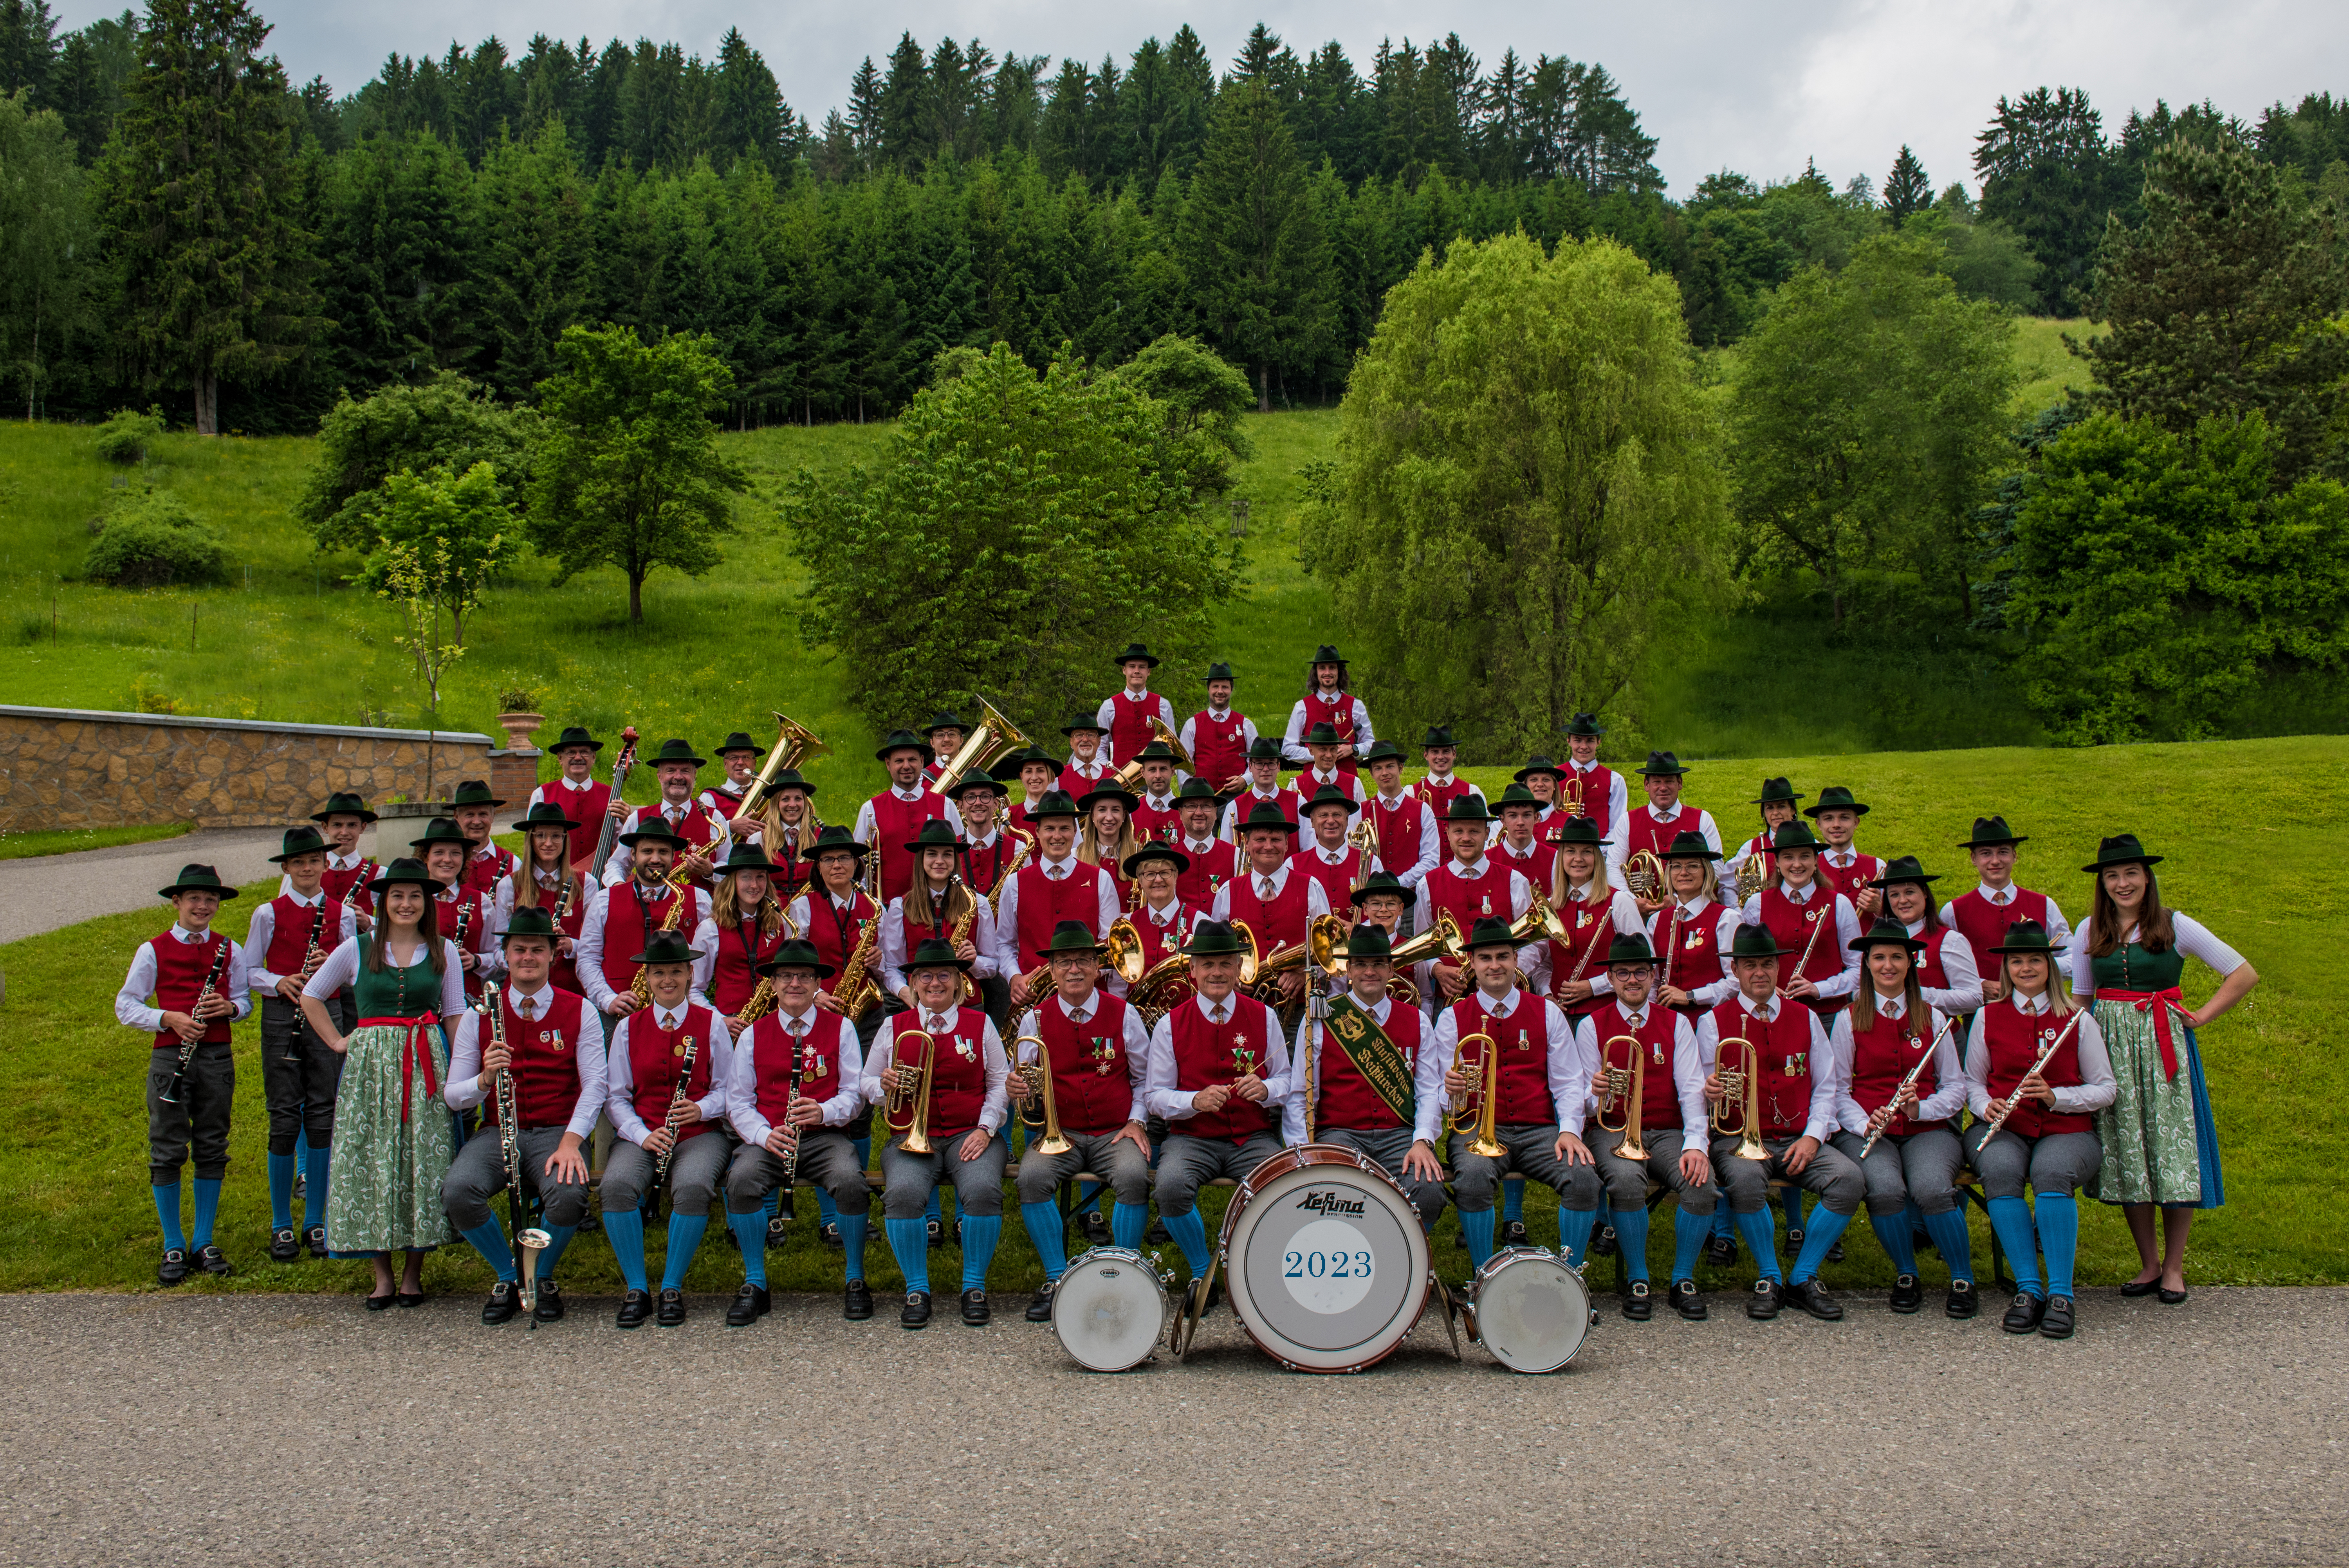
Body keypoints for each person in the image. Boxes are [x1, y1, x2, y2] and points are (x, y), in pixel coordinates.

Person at [2066, 835, 2257, 1305]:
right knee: (2131, 1151)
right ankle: (2148, 1262)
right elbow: (2083, 1000)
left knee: (2171, 1152)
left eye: (2131, 873)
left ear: (2147, 877)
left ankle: (2174, 1266)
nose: (2122, 883)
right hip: (2110, 1049)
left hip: (2163, 1047)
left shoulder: (2175, 925)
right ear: (2102, 882)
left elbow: (2242, 973)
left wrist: (2203, 1015)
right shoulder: (2090, 929)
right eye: (2113, 875)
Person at [297, 858, 467, 1308]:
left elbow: (454, 1015)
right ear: (383, 901)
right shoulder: (357, 948)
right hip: (371, 1069)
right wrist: (337, 1041)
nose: (406, 904)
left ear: (427, 903)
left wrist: (459, 1072)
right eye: (398, 896)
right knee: (374, 1157)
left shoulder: (443, 949)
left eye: (415, 896)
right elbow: (311, 994)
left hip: (425, 1059)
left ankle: (413, 1273)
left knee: (420, 1161)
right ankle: (381, 1275)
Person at [439, 905, 603, 1325]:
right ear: (506, 956)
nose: (527, 957)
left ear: (553, 955)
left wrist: (572, 1142)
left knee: (569, 1196)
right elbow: (453, 1096)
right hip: (498, 1130)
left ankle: (541, 1277)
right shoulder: (481, 1017)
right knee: (459, 1190)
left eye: (536, 949)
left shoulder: (579, 1010)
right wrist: (484, 1079)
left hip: (556, 1131)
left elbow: (595, 1085)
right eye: (518, 950)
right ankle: (510, 1275)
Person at [1698, 925, 1864, 1321]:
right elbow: (1698, 1089)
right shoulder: (1712, 1022)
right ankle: (1770, 1276)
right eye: (1751, 965)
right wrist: (1711, 1094)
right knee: (1746, 1181)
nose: (1760, 972)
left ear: (1779, 968)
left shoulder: (1805, 1017)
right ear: (1735, 969)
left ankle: (1804, 1276)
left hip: (1796, 1134)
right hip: (1737, 1137)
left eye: (1768, 964)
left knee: (1849, 1179)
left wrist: (1812, 1137)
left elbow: (1828, 1086)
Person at [1966, 919, 2118, 1339]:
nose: (2027, 968)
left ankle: (2061, 1295)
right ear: (2007, 968)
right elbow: (1972, 1082)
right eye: (2018, 961)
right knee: (1998, 1171)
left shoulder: (2077, 1020)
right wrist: (1985, 1104)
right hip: (2004, 1127)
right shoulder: (1985, 1017)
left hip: (2067, 1130)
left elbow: (2106, 1089)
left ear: (2050, 966)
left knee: (2052, 1173)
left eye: (2035, 960)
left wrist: (2057, 1097)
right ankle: (2028, 1290)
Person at [1429, 916, 1602, 1276]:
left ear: (1516, 961)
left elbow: (1569, 1082)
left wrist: (1569, 1130)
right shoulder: (1451, 1019)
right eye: (1486, 958)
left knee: (1584, 1178)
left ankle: (1571, 1277)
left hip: (1539, 1131)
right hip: (1477, 1130)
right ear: (1472, 965)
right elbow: (1439, 1093)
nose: (1495, 965)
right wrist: (1452, 1092)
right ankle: (1483, 1277)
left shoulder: (1547, 1012)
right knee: (1473, 1178)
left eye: (1503, 956)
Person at [720, 939, 878, 1324]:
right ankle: (755, 1282)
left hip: (824, 1136)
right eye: (786, 976)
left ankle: (856, 1278)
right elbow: (738, 1101)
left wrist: (822, 1111)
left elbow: (854, 1095)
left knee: (850, 1181)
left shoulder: (841, 1029)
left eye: (804, 976)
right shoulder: (755, 1034)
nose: (795, 983)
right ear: (773, 984)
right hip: (771, 1136)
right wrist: (763, 1135)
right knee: (740, 1180)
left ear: (816, 984)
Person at [1827, 918, 1976, 1319]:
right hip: (1868, 1128)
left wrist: (1921, 1109)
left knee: (1931, 1188)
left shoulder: (1935, 1017)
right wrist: (1863, 1124)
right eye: (1879, 957)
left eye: (1897, 957)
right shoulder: (1848, 1019)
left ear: (1911, 964)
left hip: (1928, 1128)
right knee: (1885, 1189)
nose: (1888, 965)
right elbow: (1838, 1090)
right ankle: (1906, 1273)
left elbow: (1956, 1088)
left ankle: (1963, 1278)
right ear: (1867, 965)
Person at [115, 862, 254, 1285]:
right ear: (177, 902)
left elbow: (245, 1001)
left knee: (213, 1143)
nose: (203, 905)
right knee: (168, 1146)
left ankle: (203, 1240)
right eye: (194, 898)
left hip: (216, 1057)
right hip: (169, 1057)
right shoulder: (152, 949)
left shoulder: (230, 948)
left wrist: (229, 1008)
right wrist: (169, 1018)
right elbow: (127, 1005)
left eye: (211, 899)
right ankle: (173, 1242)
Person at [1010, 922, 1156, 1320]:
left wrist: (1137, 1122)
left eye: (1082, 961)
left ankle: (1127, 1275)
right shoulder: (1033, 1022)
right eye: (1063, 962)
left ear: (1098, 969)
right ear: (1052, 971)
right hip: (1063, 1133)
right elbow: (1024, 1083)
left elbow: (1145, 1080)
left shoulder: (1124, 1015)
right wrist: (1019, 1089)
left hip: (1115, 1131)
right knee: (1031, 1178)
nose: (1073, 969)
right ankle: (1058, 1279)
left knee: (1132, 1175)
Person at [1146, 920, 1292, 1314]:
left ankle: (1257, 1271)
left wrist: (1266, 1090)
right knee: (1170, 1187)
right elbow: (1154, 1096)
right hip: (1192, 1138)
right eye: (1207, 965)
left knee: (1282, 1189)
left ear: (1239, 967)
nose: (1216, 973)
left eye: (1226, 964)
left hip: (1252, 1136)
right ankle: (1202, 1271)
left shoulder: (1264, 1017)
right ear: (1192, 970)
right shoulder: (1169, 1024)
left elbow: (1287, 1080)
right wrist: (1193, 1100)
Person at [866, 938, 1012, 1328]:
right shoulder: (893, 1026)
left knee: (983, 1190)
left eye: (944, 975)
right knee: (902, 1194)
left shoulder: (981, 1025)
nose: (935, 983)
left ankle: (974, 1286)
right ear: (913, 982)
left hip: (970, 1131)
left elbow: (999, 1083)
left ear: (958, 982)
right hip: (912, 1136)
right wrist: (884, 1084)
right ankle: (917, 1288)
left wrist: (986, 1129)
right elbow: (864, 1083)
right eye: (926, 976)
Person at [601, 930, 736, 1328]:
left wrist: (700, 1108)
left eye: (676, 972)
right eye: (659, 973)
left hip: (700, 1134)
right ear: (648, 978)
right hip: (643, 1132)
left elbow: (730, 1091)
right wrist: (642, 1134)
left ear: (691, 975)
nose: (668, 980)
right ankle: (638, 1288)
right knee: (616, 1186)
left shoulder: (711, 1025)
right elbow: (616, 1096)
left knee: (693, 1186)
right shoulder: (628, 1027)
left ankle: (672, 1287)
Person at [1578, 933, 1715, 1321]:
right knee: (1624, 1180)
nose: (1633, 979)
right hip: (1613, 1129)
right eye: (1623, 973)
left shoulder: (1676, 1024)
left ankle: (1682, 1279)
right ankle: (1638, 1277)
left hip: (1667, 1130)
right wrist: (1596, 1092)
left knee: (1700, 1183)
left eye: (1641, 971)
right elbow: (1583, 1100)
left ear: (1654, 975)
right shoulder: (1591, 1025)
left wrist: (1695, 1145)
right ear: (1612, 978)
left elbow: (1691, 1088)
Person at [247, 826, 358, 1262]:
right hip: (282, 1014)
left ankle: (316, 1220)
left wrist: (327, 966)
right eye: (299, 863)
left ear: (326, 865)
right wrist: (279, 981)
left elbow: (353, 973)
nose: (308, 868)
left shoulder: (342, 914)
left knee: (322, 1111)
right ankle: (281, 1223)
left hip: (327, 1013)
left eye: (315, 861)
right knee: (282, 1113)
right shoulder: (267, 914)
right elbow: (249, 970)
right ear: (287, 868)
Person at [1293, 924, 1447, 1233]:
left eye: (1378, 964)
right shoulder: (1320, 1019)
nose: (1370, 972)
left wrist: (1422, 1141)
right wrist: (1304, 1151)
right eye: (1361, 964)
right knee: (1334, 1196)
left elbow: (1430, 1091)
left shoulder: (1417, 1020)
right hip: (1340, 1135)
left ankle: (1407, 1262)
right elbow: (1300, 1094)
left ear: (1392, 969)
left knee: (1429, 1193)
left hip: (1399, 1136)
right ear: (1348, 970)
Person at [783, 825, 886, 1247]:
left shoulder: (874, 906)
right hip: (821, 1011)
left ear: (857, 862)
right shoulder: (802, 908)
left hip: (865, 1014)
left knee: (859, 1105)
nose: (837, 865)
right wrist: (819, 993)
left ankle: (853, 1197)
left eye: (844, 858)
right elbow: (790, 963)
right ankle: (830, 1216)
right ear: (818, 867)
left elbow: (891, 965)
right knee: (821, 1096)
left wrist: (879, 960)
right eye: (828, 859)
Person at [576, 818, 712, 1023]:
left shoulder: (700, 899)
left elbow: (708, 962)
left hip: (681, 1016)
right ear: (633, 855)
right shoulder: (604, 900)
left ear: (674, 856)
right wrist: (608, 999)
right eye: (647, 851)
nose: (655, 859)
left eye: (663, 852)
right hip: (620, 1013)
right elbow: (588, 958)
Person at [994, 792, 1120, 1012]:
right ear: (1037, 832)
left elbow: (1112, 943)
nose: (1057, 836)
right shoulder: (1015, 883)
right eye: (1050, 829)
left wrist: (1088, 975)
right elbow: (1004, 943)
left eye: (1064, 828)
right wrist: (1015, 978)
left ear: (1075, 831)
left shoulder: (1101, 879)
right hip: (1033, 1000)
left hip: (1089, 999)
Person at [1209, 802, 1332, 1018]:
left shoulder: (1311, 887)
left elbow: (1330, 951)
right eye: (1260, 840)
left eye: (1276, 840)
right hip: (1243, 1010)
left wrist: (1304, 976)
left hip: (1300, 1012)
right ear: (1246, 844)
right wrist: (1232, 979)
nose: (1268, 846)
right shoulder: (1227, 892)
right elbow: (1215, 952)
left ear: (1287, 844)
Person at [1414, 796, 1534, 1006]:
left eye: (1475, 831)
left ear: (1488, 833)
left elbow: (1534, 944)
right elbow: (1422, 945)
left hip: (1505, 999)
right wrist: (1438, 970)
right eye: (1459, 831)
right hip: (1448, 1003)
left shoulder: (1514, 881)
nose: (1466, 838)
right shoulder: (1427, 884)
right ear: (1448, 833)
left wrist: (1506, 976)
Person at [1942, 816, 2073, 999]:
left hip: (2040, 1007)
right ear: (1973, 858)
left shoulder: (2044, 905)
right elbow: (1945, 965)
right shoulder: (1953, 912)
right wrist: (1979, 985)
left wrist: (2037, 970)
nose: (1995, 861)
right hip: (1983, 1010)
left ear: (2015, 856)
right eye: (1986, 853)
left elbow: (2073, 957)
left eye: (2003, 852)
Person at [1739, 820, 1862, 1015]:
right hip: (1773, 1013)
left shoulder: (1840, 904)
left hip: (1829, 1016)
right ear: (1777, 863)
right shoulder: (1756, 904)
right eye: (1788, 857)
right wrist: (1764, 990)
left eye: (1805, 856)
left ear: (1815, 860)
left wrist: (1820, 989)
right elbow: (1744, 964)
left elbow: (1858, 967)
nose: (1797, 865)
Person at [1534, 817, 1643, 1028]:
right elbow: (1545, 964)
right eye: (1571, 851)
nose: (1578, 859)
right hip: (1560, 1018)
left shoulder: (1619, 902)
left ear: (1597, 858)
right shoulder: (1548, 907)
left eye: (1587, 851)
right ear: (1561, 856)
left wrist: (1593, 987)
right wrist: (1547, 995)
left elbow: (1642, 962)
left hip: (1607, 1017)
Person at [880, 820, 1001, 1002]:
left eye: (947, 855)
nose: (940, 861)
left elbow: (993, 965)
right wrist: (905, 993)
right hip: (918, 1006)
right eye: (932, 854)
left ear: (956, 860)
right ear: (921, 859)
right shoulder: (899, 907)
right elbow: (892, 968)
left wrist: (975, 961)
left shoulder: (978, 904)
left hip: (967, 1007)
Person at [603, 740, 729, 892]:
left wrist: (710, 871)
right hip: (646, 908)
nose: (678, 777)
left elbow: (730, 868)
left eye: (685, 771)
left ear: (695, 775)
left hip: (700, 911)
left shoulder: (714, 818)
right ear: (659, 776)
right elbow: (617, 865)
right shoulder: (637, 818)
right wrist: (619, 888)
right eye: (671, 771)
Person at [696, 843, 796, 1031]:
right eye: (746, 877)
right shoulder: (709, 929)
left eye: (761, 877)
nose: (754, 885)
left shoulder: (783, 925)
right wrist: (720, 1021)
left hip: (777, 1024)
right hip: (731, 1026)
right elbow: (693, 990)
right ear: (732, 881)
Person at [853, 730, 960, 906]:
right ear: (888, 764)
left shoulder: (946, 805)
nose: (906, 766)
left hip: (940, 906)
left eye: (912, 760)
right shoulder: (870, 809)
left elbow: (959, 856)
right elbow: (859, 863)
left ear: (922, 761)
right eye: (899, 761)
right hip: (887, 906)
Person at [1873, 856, 1983, 1016]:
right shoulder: (1876, 941)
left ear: (1924, 893)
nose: (1903, 900)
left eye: (1909, 892)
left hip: (1938, 1034)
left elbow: (1974, 998)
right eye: (1894, 895)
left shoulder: (1950, 940)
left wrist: (1916, 995)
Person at [1615, 752, 1722, 915]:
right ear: (1646, 785)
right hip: (1639, 912)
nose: (1663, 788)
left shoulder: (1703, 819)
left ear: (1680, 783)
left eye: (1669, 781)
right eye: (1657, 782)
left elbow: (1716, 866)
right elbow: (1613, 867)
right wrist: (1630, 900)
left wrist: (1679, 897)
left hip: (1693, 910)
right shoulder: (1627, 821)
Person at [497, 801, 588, 993]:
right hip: (522, 989)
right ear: (530, 839)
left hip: (571, 988)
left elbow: (595, 947)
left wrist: (570, 945)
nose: (548, 843)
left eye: (556, 836)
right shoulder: (509, 885)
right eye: (540, 836)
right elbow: (498, 949)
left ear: (565, 839)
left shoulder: (587, 883)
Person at [1649, 831, 1740, 1018]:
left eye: (1692, 866)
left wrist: (1691, 997)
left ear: (1706, 871)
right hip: (1667, 1021)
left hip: (1711, 1021)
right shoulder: (1656, 921)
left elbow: (1737, 980)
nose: (1684, 873)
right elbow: (1653, 982)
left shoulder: (1726, 919)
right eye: (1676, 867)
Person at [411, 817, 499, 1004]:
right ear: (426, 857)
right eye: (439, 853)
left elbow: (497, 956)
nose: (447, 860)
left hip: (470, 1000)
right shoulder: (413, 901)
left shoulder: (481, 902)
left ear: (464, 859)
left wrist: (477, 961)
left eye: (455, 853)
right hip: (422, 1001)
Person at [1119, 842, 1202, 1006]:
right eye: (1150, 874)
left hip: (1183, 1019)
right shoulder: (1127, 925)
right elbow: (1119, 985)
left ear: (1176, 876)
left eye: (1165, 873)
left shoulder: (1199, 922)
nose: (1158, 880)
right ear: (1140, 881)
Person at [530, 727, 624, 870]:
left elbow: (621, 843)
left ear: (594, 758)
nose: (578, 758)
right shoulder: (541, 794)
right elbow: (533, 842)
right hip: (556, 875)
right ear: (560, 758)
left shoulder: (612, 795)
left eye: (585, 752)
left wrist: (627, 821)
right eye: (571, 753)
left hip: (601, 875)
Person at [1359, 741, 1439, 900]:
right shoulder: (1360, 812)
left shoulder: (1423, 810)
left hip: (1410, 899)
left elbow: (1431, 861)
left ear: (1401, 768)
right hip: (1372, 902)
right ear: (1371, 773)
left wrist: (1398, 883)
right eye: (1378, 768)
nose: (1384, 773)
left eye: (1390, 766)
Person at [738, 767, 823, 907]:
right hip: (770, 915)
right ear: (776, 804)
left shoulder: (820, 837)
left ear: (805, 803)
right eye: (785, 799)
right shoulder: (757, 840)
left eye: (798, 799)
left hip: (812, 913)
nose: (792, 805)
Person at [1283, 645, 1372, 774]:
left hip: (1347, 779)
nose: (1327, 673)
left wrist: (1353, 749)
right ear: (1316, 672)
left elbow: (1371, 744)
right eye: (1322, 668)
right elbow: (1288, 749)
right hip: (1312, 780)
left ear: (1339, 671)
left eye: (1332, 668)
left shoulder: (1356, 706)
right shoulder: (1302, 707)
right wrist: (1317, 754)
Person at [1288, 783, 1368, 917]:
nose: (1331, 821)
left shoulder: (1370, 863)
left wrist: (1357, 928)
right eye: (1323, 815)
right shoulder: (1292, 865)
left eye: (1337, 815)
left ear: (1347, 819)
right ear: (1312, 821)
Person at [1722, 778, 1804, 907]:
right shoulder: (1751, 847)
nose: (1775, 813)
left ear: (1793, 810)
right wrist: (1740, 913)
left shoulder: (1811, 845)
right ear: (1764, 813)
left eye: (1781, 806)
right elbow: (1726, 885)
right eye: (1770, 808)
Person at [1180, 661, 1256, 797]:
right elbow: (1184, 765)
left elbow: (1256, 762)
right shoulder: (1192, 724)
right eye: (1215, 687)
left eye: (1225, 687)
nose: (1220, 692)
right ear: (1208, 689)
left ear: (1231, 690)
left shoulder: (1246, 725)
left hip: (1236, 797)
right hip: (1202, 797)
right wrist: (1190, 793)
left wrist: (1245, 780)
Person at [1807, 786, 1883, 919]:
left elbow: (1900, 922)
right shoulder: (1808, 867)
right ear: (1819, 824)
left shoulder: (1878, 866)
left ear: (1856, 822)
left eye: (1844, 818)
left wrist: (1880, 909)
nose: (1836, 825)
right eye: (1829, 819)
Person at [1099, 643, 1179, 767]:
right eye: (1132, 667)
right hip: (1120, 782)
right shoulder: (1109, 706)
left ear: (1149, 672)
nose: (1137, 671)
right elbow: (1100, 749)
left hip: (1154, 781)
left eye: (1142, 667)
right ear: (1124, 670)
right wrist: (1111, 773)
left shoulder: (1164, 705)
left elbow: (1172, 747)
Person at [311, 792, 380, 934]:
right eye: (337, 825)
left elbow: (395, 924)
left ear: (363, 828)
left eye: (352, 825)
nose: (344, 832)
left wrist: (369, 923)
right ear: (325, 827)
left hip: (360, 953)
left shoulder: (379, 874)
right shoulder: (305, 871)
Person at [1169, 779, 1239, 905]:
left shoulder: (1236, 855)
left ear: (1216, 812)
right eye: (1192, 806)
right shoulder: (1169, 857)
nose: (1199, 812)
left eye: (1206, 806)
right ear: (1180, 813)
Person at [1075, 784, 1145, 909]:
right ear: (1092, 816)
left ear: (1124, 816)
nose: (1109, 817)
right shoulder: (1075, 856)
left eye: (1115, 810)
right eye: (1102, 810)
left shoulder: (1140, 855)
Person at [1559, 714, 1625, 843]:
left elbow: (1617, 828)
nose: (1584, 747)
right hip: (1562, 848)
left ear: (1599, 742)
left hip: (1602, 850)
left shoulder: (1615, 781)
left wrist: (1600, 851)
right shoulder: (1555, 777)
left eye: (1590, 741)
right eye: (1578, 740)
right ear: (1568, 741)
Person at [448, 779, 516, 901]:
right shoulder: (446, 863)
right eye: (470, 815)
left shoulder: (514, 864)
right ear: (456, 816)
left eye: (483, 814)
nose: (477, 822)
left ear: (493, 816)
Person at [1218, 736, 1295, 842]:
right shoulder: (1234, 807)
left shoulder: (1298, 803)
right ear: (1250, 767)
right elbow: (1226, 852)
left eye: (1271, 763)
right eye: (1259, 764)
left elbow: (1309, 849)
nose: (1266, 769)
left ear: (1279, 767)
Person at [1491, 782, 1559, 893]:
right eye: (1513, 816)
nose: (1520, 822)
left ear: (1536, 817)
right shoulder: (1488, 859)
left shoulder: (1554, 858)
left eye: (1527, 815)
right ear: (1502, 820)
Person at [1414, 727, 1483, 818]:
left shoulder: (1472, 792)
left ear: (1454, 754)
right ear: (1426, 755)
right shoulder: (1411, 793)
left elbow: (1484, 828)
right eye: (1435, 752)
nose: (1441, 757)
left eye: (1446, 752)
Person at [1125, 741, 1185, 842]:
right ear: (1143, 773)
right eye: (1152, 770)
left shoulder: (1185, 810)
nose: (1158, 776)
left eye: (1163, 769)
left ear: (1173, 771)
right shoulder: (1131, 811)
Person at [702, 731, 765, 818]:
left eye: (746, 758)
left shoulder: (766, 796)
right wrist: (731, 826)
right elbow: (705, 830)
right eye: (734, 758)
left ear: (754, 764)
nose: (740, 762)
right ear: (725, 764)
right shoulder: (710, 798)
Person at [1056, 714, 1115, 797]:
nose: (1085, 739)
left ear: (1099, 741)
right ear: (1071, 742)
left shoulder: (1114, 775)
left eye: (1091, 735)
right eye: (1079, 735)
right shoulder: (1058, 777)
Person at [1006, 748, 1061, 834]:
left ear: (1050, 775)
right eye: (1028, 771)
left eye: (1040, 771)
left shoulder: (1065, 812)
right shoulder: (1007, 815)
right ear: (1022, 776)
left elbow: (1077, 848)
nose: (1034, 777)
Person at [918, 711, 967, 788]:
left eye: (952, 734)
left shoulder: (972, 771)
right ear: (932, 743)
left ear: (961, 740)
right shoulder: (920, 779)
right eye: (940, 735)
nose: (946, 739)